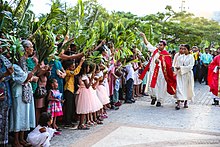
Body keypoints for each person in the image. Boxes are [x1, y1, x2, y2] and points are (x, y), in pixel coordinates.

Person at [10, 40, 39, 147]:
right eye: (31, 47)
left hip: (26, 91)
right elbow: (24, 78)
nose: (32, 49)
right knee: (18, 114)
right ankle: (16, 140)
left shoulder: (25, 63)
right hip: (18, 91)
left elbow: (28, 77)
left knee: (25, 114)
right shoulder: (16, 65)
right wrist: (35, 69)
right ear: (25, 49)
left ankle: (22, 138)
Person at [140, 32, 176, 107]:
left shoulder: (166, 54)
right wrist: (144, 36)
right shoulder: (155, 50)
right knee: (151, 85)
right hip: (153, 71)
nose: (159, 46)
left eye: (161, 45)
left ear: (164, 46)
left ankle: (160, 100)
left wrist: (159, 61)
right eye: (158, 45)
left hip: (161, 73)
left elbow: (168, 65)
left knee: (161, 86)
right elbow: (147, 44)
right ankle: (153, 97)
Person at [63, 57, 85, 127]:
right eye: (72, 67)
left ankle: (70, 120)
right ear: (68, 67)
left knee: (71, 106)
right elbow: (75, 72)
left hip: (71, 90)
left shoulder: (69, 72)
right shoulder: (67, 72)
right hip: (68, 90)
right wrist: (81, 63)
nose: (74, 68)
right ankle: (67, 122)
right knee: (69, 107)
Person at [175, 44, 195, 110]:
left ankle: (186, 102)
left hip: (187, 75)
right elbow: (176, 64)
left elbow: (190, 66)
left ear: (188, 50)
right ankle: (178, 103)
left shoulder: (191, 57)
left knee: (186, 88)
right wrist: (177, 69)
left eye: (185, 49)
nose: (183, 50)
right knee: (179, 87)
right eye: (182, 49)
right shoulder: (180, 57)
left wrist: (181, 67)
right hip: (180, 74)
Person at [0, 48, 14, 145]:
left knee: (4, 119)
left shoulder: (3, 59)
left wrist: (7, 74)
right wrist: (5, 75)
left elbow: (10, 75)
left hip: (5, 92)